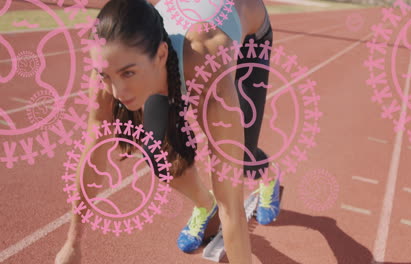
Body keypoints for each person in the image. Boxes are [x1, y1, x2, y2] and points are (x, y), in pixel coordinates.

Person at [55, 0, 280, 263]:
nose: (116, 93)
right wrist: (73, 242)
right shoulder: (111, 66)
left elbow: (232, 208)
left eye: (128, 74)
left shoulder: (209, 71)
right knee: (159, 156)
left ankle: (269, 176)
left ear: (161, 56)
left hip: (250, 32)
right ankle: (206, 206)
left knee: (243, 161)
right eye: (107, 76)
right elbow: (95, 147)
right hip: (184, 39)